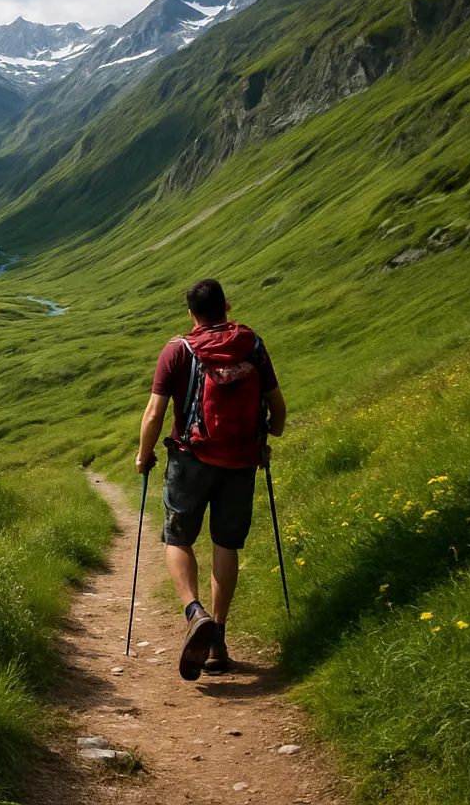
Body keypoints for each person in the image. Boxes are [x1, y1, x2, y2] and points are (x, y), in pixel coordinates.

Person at [134, 278, 286, 679]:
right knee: (225, 543)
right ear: (227, 306)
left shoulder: (178, 350)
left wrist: (143, 454)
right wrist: (270, 432)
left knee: (178, 538)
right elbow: (277, 405)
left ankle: (194, 612)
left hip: (190, 458)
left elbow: (154, 414)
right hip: (240, 460)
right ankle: (217, 638)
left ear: (191, 314)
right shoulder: (251, 344)